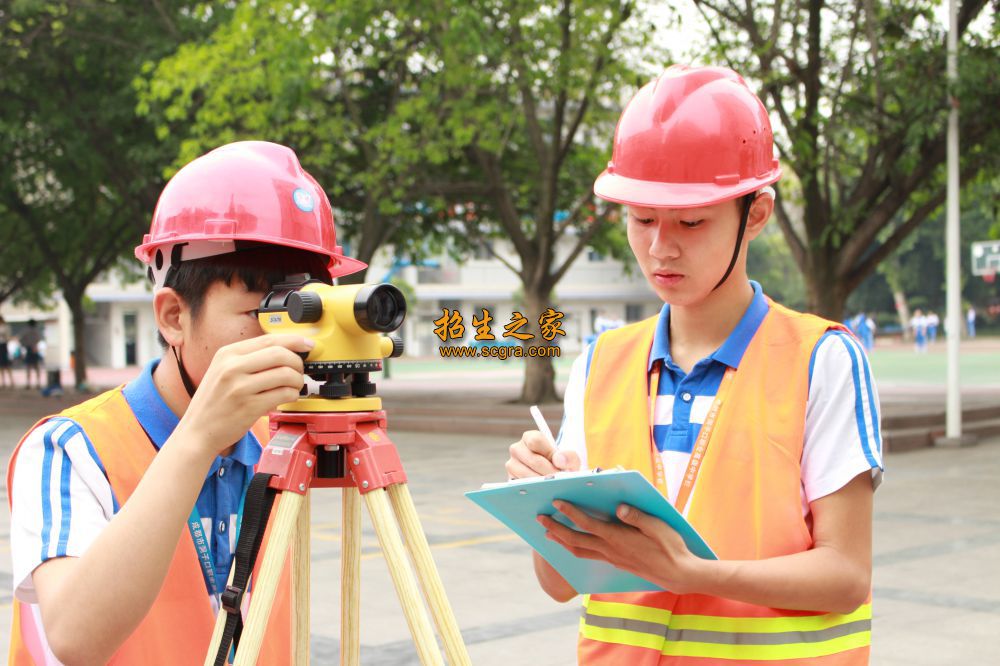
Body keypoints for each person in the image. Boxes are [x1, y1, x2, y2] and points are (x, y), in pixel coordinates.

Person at [506, 66, 882, 664]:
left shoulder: (823, 360)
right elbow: (559, 582)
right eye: (642, 218)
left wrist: (690, 573)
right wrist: (539, 502)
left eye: (690, 221)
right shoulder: (600, 362)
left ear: (755, 215)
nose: (661, 248)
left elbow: (845, 573)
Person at [6, 141, 366, 664]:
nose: (292, 339)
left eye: (307, 310)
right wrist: (196, 438)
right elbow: (74, 637)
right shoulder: (68, 449)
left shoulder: (280, 438)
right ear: (174, 316)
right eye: (264, 310)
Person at [17, 319, 43, 390]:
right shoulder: (36, 330)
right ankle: (38, 383)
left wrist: (26, 345)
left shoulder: (25, 330)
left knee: (29, 367)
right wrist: (34, 344)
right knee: (36, 367)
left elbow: (21, 339)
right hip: (34, 348)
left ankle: (28, 384)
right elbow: (39, 338)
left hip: (29, 349)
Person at [0, 315, 13, 389]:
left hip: (3, 345)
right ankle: (3, 382)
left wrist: (3, 335)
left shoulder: (6, 327)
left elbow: (8, 337)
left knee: (6, 365)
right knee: (1, 366)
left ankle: (11, 382)